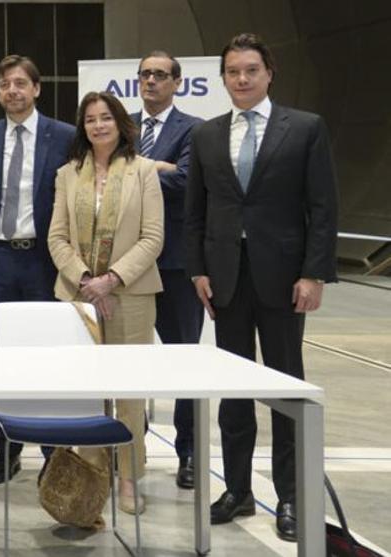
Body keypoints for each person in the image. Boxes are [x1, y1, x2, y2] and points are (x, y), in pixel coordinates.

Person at [186, 33, 337, 542]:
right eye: (233, 71)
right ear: (223, 77)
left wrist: (314, 273)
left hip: (284, 279)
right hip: (226, 279)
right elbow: (196, 214)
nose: (242, 79)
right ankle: (237, 488)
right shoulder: (207, 136)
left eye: (251, 70)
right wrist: (199, 271)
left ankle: (290, 496)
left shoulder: (305, 129)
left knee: (284, 389)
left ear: (269, 73)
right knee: (234, 392)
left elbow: (322, 207)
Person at [49, 91, 164, 513]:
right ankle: (91, 475)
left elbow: (153, 237)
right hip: (77, 299)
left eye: (106, 118)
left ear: (120, 123)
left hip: (130, 298)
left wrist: (111, 281)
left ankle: (130, 478)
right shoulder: (67, 173)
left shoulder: (144, 172)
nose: (98, 126)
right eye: (90, 119)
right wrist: (85, 280)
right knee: (87, 393)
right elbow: (56, 237)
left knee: (129, 393)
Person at [0, 54, 75, 484]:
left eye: (20, 83)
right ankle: (6, 447)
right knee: (2, 358)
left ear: (36, 89)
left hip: (45, 260)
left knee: (50, 357)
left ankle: (53, 452)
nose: (12, 91)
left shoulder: (64, 135)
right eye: (4, 85)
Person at [133, 50, 204, 490]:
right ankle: (127, 449)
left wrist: (142, 170)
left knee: (184, 364)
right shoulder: (123, 128)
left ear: (176, 82)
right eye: (145, 75)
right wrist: (157, 168)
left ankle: (190, 453)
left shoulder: (193, 129)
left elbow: (187, 182)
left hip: (176, 265)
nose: (151, 81)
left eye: (160, 75)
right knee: (128, 364)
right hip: (130, 266)